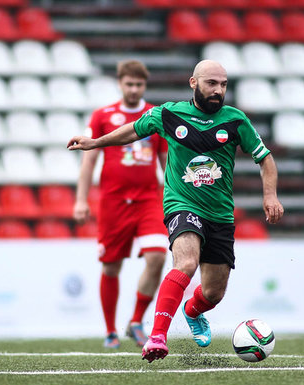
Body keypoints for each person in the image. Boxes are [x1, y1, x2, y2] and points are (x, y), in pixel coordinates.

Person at [68, 60, 284, 363]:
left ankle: (193, 311)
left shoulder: (235, 120)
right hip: (182, 204)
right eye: (211, 83)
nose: (218, 90)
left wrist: (270, 195)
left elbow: (265, 158)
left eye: (223, 85)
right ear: (193, 83)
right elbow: (132, 131)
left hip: (220, 213)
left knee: (213, 293)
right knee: (185, 263)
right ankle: (157, 335)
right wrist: (96, 143)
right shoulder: (169, 114)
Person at [73, 60, 168, 349]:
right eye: (129, 84)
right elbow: (88, 160)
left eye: (139, 84)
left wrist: (173, 195)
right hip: (114, 202)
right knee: (111, 267)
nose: (134, 89)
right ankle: (111, 330)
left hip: (148, 199)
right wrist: (80, 200)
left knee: (157, 257)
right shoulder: (103, 116)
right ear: (120, 83)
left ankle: (137, 320)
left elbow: (165, 160)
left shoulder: (154, 115)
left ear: (145, 85)